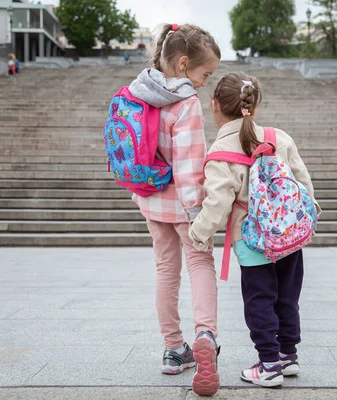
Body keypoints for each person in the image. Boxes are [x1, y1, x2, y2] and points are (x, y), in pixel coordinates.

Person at [189, 72, 320, 388]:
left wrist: (198, 232)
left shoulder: (220, 152)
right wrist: (310, 214)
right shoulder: (278, 137)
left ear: (215, 106)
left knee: (260, 300)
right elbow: (303, 182)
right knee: (287, 298)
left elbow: (218, 202)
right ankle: (288, 356)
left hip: (252, 241)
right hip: (288, 236)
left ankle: (268, 364)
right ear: (255, 106)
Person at [128, 23, 221, 396]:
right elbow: (189, 165)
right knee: (200, 263)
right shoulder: (186, 104)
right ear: (184, 64)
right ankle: (205, 336)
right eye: (205, 73)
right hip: (184, 204)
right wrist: (198, 212)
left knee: (166, 270)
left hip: (150, 198)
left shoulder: (139, 93)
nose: (205, 82)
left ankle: (173, 349)